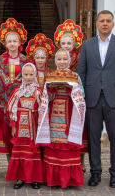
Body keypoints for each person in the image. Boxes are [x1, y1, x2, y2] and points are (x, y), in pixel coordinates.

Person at [78, 10, 115, 188]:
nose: (105, 24)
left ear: (113, 24)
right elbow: (82, 73)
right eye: (101, 21)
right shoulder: (87, 45)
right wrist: (82, 98)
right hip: (92, 99)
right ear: (96, 23)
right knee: (93, 138)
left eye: (108, 21)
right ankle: (95, 173)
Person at [37, 49, 86, 188]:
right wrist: (52, 89)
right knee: (54, 142)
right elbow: (45, 96)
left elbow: (82, 94)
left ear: (69, 61)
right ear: (55, 61)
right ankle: (54, 179)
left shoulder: (75, 76)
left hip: (69, 114)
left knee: (67, 143)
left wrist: (71, 89)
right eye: (59, 59)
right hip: (53, 114)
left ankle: (69, 179)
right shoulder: (51, 75)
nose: (62, 62)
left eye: (65, 59)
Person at [0, 18, 28, 157]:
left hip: (21, 103)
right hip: (5, 102)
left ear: (20, 42)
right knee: (7, 133)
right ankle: (10, 165)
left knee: (20, 134)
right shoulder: (0, 61)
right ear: (5, 43)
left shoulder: (25, 60)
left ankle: (20, 164)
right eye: (9, 41)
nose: (12, 44)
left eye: (15, 41)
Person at [54, 20, 88, 163]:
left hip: (76, 99)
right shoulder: (57, 60)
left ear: (75, 44)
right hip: (61, 101)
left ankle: (79, 162)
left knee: (79, 131)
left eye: (69, 43)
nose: (66, 46)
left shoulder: (81, 58)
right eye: (63, 44)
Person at [5, 63, 44, 189]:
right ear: (22, 75)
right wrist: (14, 125)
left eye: (31, 74)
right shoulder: (17, 92)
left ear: (35, 75)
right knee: (20, 152)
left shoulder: (38, 92)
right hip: (20, 128)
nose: (28, 77)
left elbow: (43, 110)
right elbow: (11, 108)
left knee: (32, 152)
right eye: (26, 74)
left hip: (33, 128)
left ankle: (34, 178)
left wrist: (40, 126)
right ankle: (20, 178)